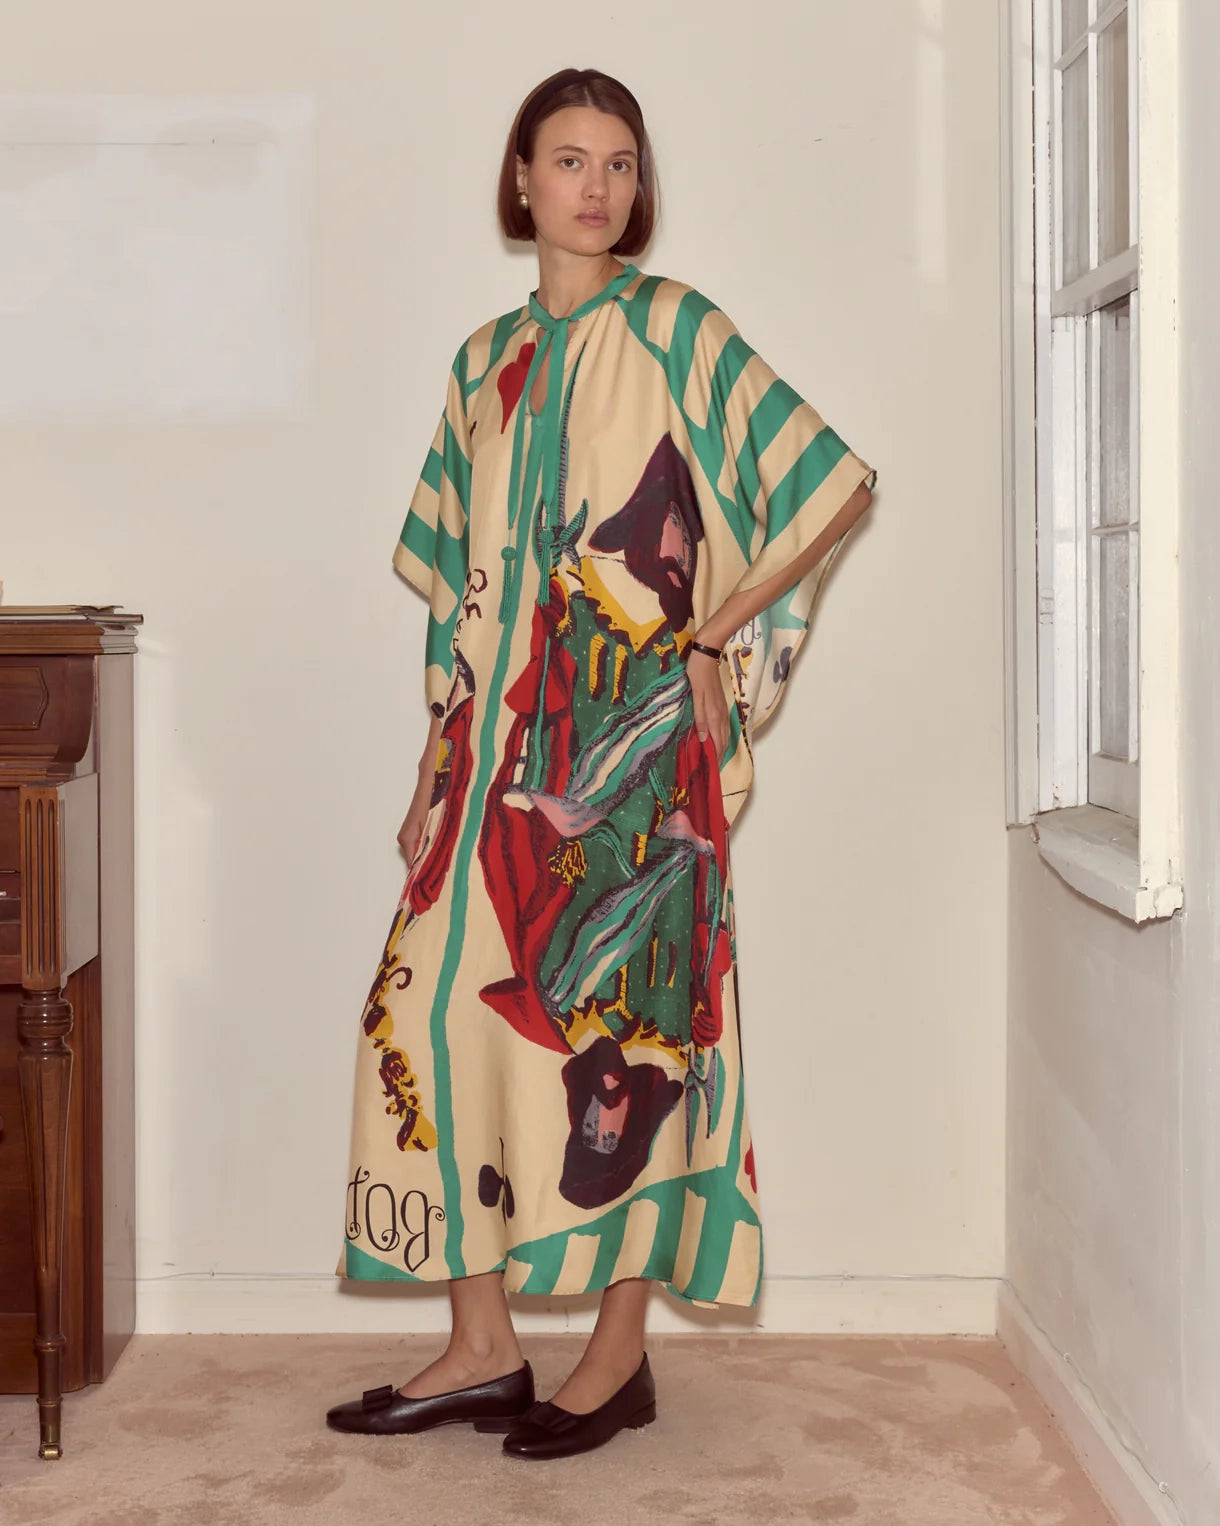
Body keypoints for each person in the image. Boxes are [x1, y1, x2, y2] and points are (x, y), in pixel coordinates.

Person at [326, 66, 875, 1460]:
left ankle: (619, 1354)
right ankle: (483, 1340)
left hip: (633, 764)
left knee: (632, 1033)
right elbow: (463, 588)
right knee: (431, 1019)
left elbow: (830, 483)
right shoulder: (481, 364)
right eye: (568, 159)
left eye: (619, 162)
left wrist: (714, 633)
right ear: (521, 181)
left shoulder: (680, 329)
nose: (596, 185)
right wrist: (431, 769)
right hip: (493, 760)